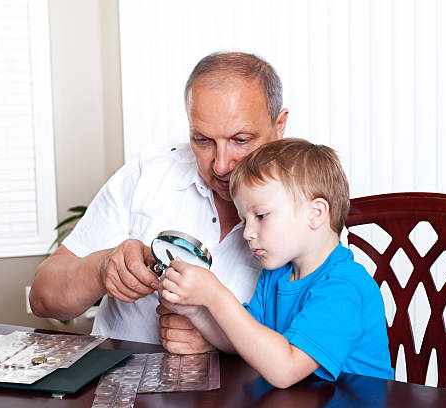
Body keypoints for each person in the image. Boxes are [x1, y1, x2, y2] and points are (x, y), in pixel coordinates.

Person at [29, 51, 289, 353]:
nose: (220, 165)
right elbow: (42, 298)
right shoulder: (148, 173)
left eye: (241, 140)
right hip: (116, 387)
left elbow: (312, 347)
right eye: (202, 140)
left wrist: (219, 338)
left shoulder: (305, 206)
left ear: (280, 125)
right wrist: (101, 270)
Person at [159, 138, 394, 388]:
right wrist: (196, 311)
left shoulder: (345, 288)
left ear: (315, 214)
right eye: (244, 219)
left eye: (261, 216)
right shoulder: (276, 275)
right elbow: (244, 343)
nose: (247, 232)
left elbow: (285, 370)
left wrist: (216, 296)